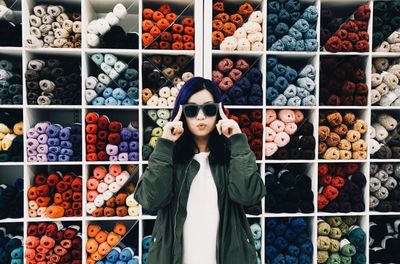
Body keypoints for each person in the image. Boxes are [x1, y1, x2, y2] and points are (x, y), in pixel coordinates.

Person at [134, 77, 266, 264]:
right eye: (191, 110)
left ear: (219, 112)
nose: (201, 116)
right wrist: (164, 145)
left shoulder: (233, 156)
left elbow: (248, 196)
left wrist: (237, 139)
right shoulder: (169, 158)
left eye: (209, 109)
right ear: (181, 112)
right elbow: (151, 199)